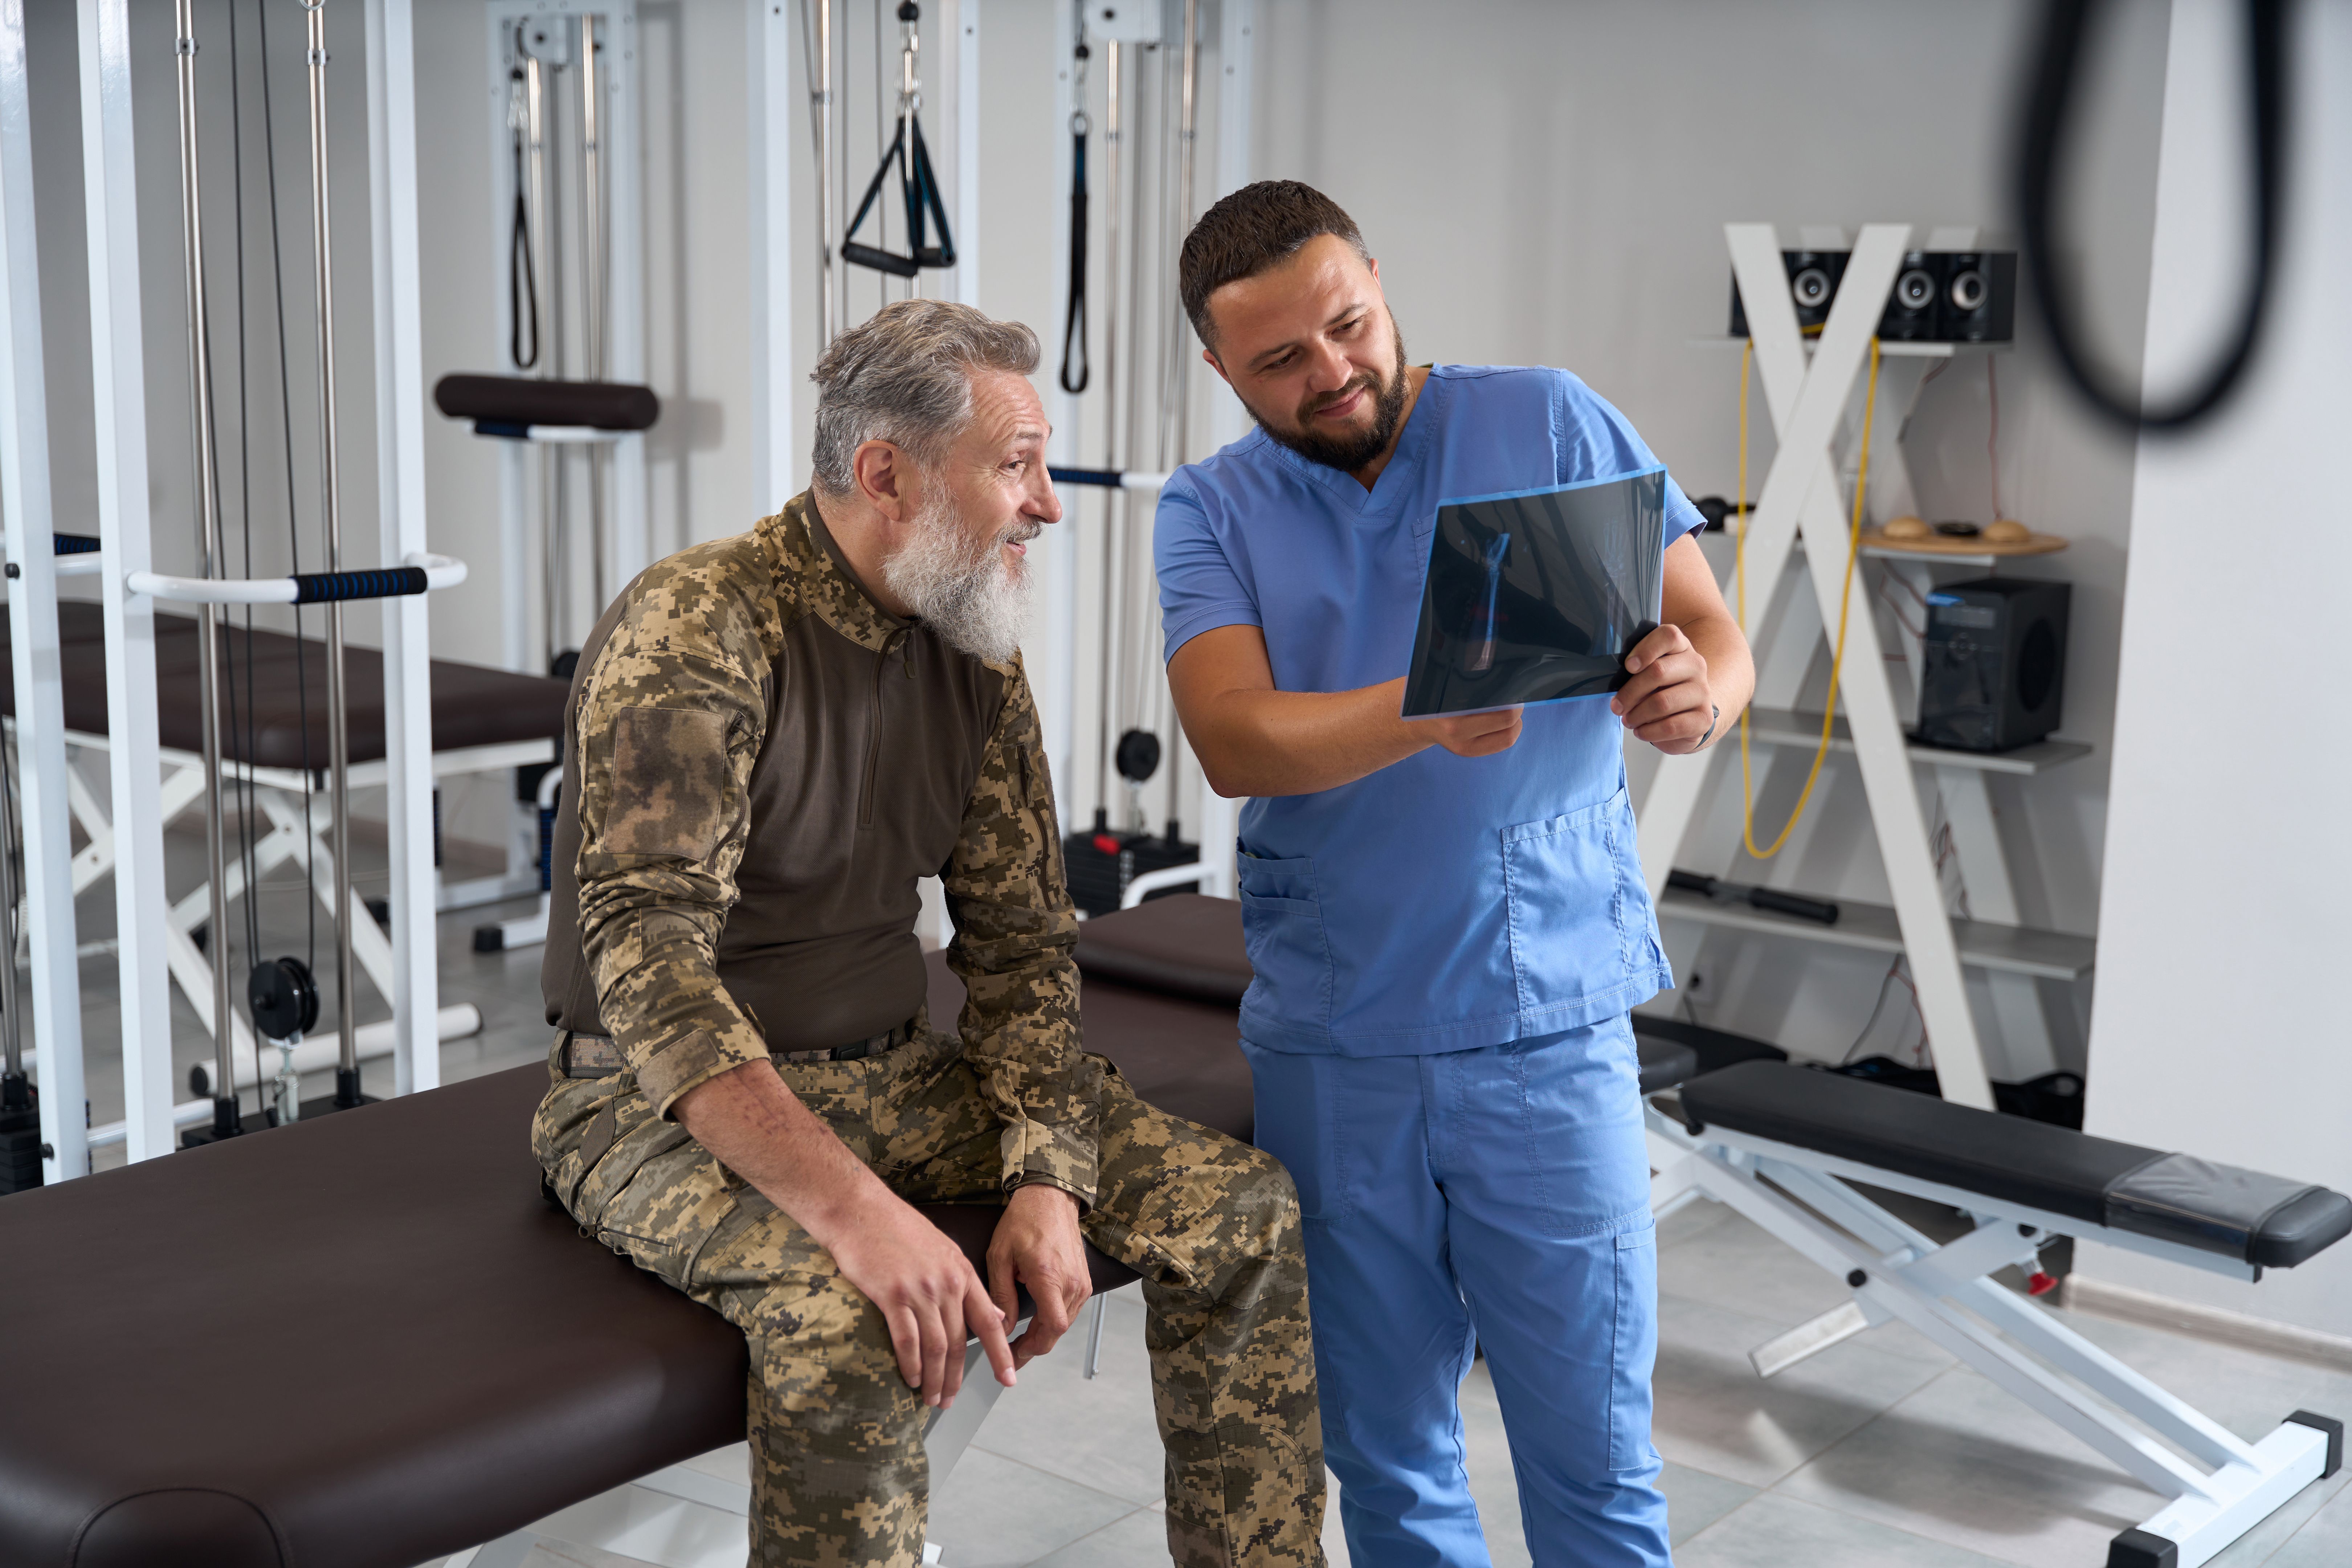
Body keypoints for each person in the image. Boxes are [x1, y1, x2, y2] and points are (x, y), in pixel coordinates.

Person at [534, 299, 1326, 1568]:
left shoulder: (972, 647)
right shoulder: (702, 624)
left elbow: (1021, 950)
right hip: (647, 1102)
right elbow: (653, 968)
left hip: (889, 1075)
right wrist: (857, 1215)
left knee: (1240, 1216)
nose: (1049, 504)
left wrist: (1047, 1174)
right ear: (885, 474)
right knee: (850, 1327)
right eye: (1016, 466)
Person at [1157, 182, 1757, 1567]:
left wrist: (1695, 694)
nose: (1334, 374)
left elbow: (1710, 629)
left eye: (1348, 326)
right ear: (1219, 369)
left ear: (1374, 277)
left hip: (1545, 1023)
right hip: (1339, 1043)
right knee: (1387, 1456)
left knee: (1594, 1458)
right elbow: (1234, 736)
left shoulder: (1542, 420)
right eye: (1279, 364)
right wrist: (1422, 710)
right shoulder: (1210, 511)